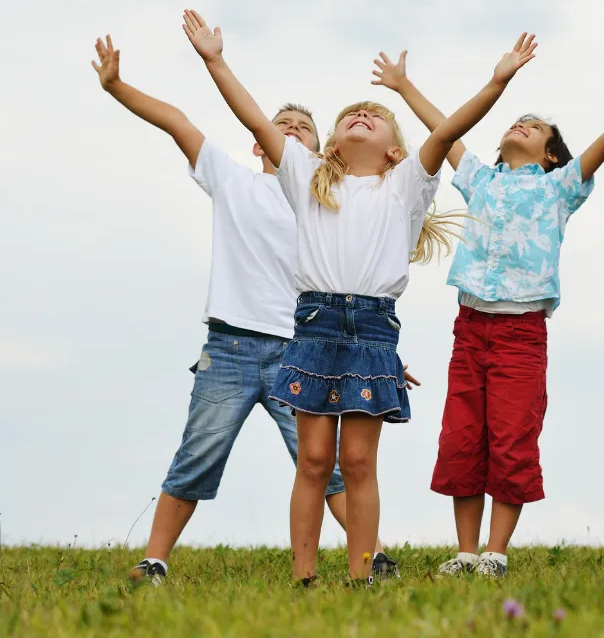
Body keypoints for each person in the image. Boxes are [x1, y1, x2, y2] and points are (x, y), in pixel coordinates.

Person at [91, 35, 400, 585]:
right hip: (230, 345)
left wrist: (377, 357)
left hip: (303, 349)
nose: (291, 130)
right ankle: (155, 560)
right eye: (282, 124)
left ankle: (373, 558)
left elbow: (359, 285)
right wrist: (116, 86)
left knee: (326, 468)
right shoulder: (233, 180)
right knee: (198, 454)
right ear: (260, 144)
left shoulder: (327, 198)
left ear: (322, 150)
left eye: (303, 127)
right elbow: (178, 122)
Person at [421, 34, 604, 578]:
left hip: (520, 334)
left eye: (533, 127)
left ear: (551, 154)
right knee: (463, 437)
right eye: (517, 122)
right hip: (469, 329)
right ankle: (465, 553)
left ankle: (494, 554)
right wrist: (403, 85)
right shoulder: (480, 179)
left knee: (511, 438)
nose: (521, 125)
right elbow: (443, 131)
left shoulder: (559, 187)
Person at [181, 9, 456, 584]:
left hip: (373, 328)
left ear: (394, 151)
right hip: (314, 324)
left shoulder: (405, 187)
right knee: (312, 461)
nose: (362, 115)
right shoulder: (306, 178)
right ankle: (303, 579)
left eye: (376, 117)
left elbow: (449, 132)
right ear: (329, 146)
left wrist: (498, 80)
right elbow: (253, 118)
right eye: (352, 114)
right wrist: (215, 61)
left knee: (357, 461)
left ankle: (361, 576)